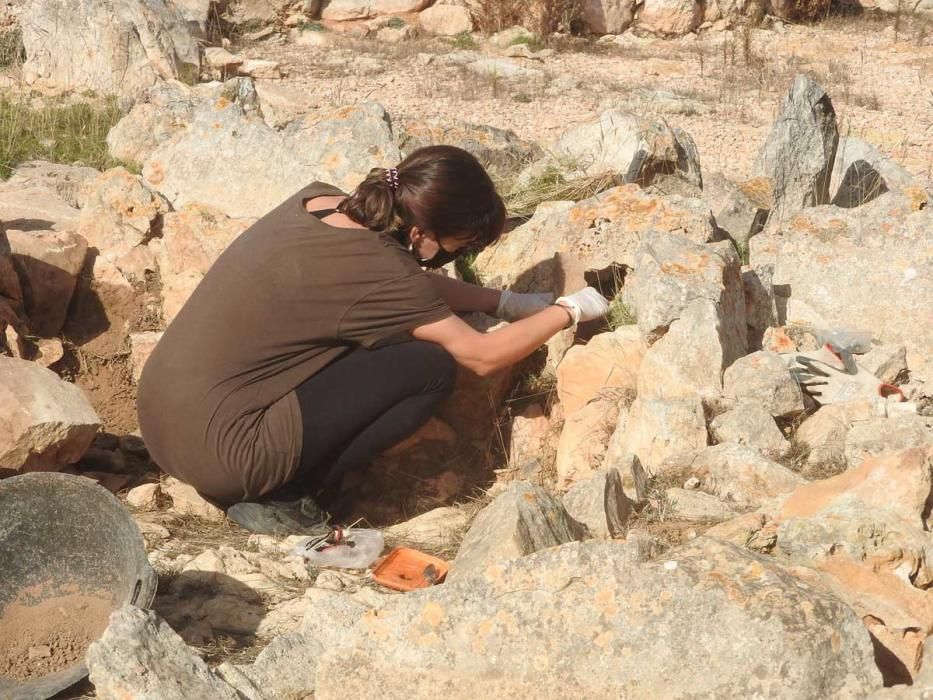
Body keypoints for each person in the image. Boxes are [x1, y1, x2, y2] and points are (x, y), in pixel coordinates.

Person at [136, 145, 609, 535]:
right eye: (458, 246)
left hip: (162, 423)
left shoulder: (319, 201)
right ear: (421, 233)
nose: (457, 257)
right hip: (224, 455)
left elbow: (401, 284)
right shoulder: (384, 273)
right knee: (429, 368)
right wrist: (567, 310)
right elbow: (481, 357)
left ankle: (266, 478)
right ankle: (281, 494)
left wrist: (500, 302)